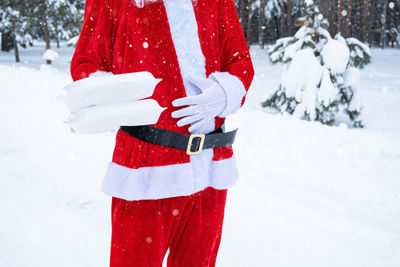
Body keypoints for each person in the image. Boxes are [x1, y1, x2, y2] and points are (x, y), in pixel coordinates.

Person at [70, 0, 254, 266]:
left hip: (211, 165)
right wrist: (128, 101)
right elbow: (87, 65)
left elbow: (239, 60)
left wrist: (224, 93)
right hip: (145, 168)